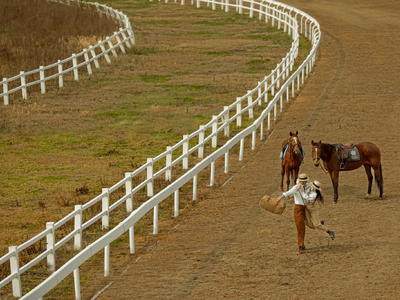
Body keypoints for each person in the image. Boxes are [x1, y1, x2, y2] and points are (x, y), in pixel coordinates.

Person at [278, 173, 309, 255]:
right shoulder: (296, 188)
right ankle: (300, 245)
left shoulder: (306, 186)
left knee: (303, 228)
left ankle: (302, 244)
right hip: (298, 209)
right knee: (300, 228)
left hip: (305, 208)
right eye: (303, 182)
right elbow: (287, 193)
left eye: (305, 181)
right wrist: (279, 198)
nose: (305, 183)